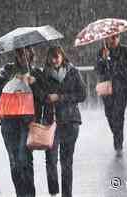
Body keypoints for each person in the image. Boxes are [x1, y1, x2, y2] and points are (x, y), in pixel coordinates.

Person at [0, 46, 45, 197]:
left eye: (26, 52)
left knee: (24, 159)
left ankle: (29, 194)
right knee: (14, 162)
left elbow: (43, 97)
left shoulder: (36, 72)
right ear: (16, 55)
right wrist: (13, 80)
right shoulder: (8, 70)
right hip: (9, 121)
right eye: (20, 52)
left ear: (31, 54)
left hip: (27, 122)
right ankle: (20, 194)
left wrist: (33, 82)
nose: (23, 55)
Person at [42, 46, 86, 197]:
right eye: (52, 57)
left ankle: (67, 194)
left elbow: (82, 94)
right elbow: (40, 96)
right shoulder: (44, 74)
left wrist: (60, 97)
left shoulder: (73, 72)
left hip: (70, 120)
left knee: (67, 162)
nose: (55, 60)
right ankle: (54, 192)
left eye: (57, 56)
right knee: (51, 160)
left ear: (62, 56)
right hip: (52, 122)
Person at [96, 34, 127, 156]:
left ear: (119, 38)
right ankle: (117, 134)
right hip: (107, 87)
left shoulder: (126, 50)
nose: (114, 39)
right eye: (111, 37)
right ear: (106, 39)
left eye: (116, 37)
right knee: (109, 114)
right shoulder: (102, 51)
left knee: (118, 114)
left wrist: (123, 62)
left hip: (121, 86)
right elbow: (98, 70)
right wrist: (103, 59)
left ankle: (118, 142)